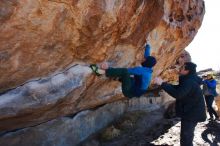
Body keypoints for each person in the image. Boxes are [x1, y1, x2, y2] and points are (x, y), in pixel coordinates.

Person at [154, 62, 206, 146]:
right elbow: (178, 88)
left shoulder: (189, 81)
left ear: (187, 70)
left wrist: (162, 84)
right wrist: (164, 84)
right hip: (191, 112)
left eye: (182, 67)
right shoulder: (190, 80)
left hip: (191, 114)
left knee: (186, 138)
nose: (180, 68)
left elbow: (178, 94)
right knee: (187, 136)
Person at [90, 44, 157, 98]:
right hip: (134, 87)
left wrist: (108, 68)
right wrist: (148, 46)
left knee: (125, 72)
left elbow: (126, 71)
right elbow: (147, 56)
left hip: (129, 92)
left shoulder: (142, 71)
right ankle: (116, 77)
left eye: (145, 60)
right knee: (131, 77)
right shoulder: (148, 69)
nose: (143, 59)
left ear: (147, 62)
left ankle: (102, 72)